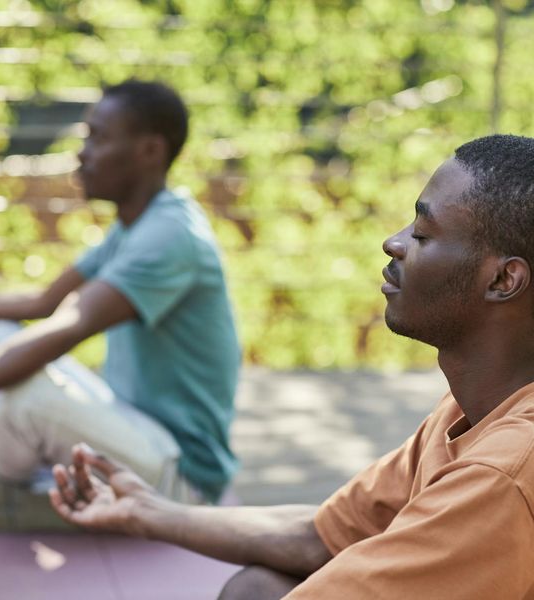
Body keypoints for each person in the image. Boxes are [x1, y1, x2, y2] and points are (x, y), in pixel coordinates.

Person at [51, 134, 534, 599]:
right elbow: (321, 535)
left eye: (423, 234)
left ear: (503, 279)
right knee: (256, 589)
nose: (393, 243)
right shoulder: (465, 412)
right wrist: (148, 512)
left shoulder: (504, 474)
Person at [0, 79, 240, 530]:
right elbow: (43, 304)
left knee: (26, 396)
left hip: (180, 477)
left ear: (150, 150)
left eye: (98, 137)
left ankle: (13, 489)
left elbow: (68, 326)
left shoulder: (170, 238)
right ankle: (38, 484)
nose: (82, 152)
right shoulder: (138, 225)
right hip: (135, 428)